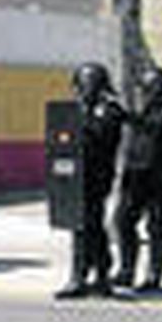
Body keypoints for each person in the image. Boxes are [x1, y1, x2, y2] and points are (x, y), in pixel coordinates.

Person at [55, 62, 126, 299]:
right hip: (76, 176)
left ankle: (91, 276)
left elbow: (100, 137)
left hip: (97, 176)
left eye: (87, 83)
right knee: (81, 226)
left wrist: (83, 117)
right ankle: (87, 275)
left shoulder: (110, 109)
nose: (82, 89)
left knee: (90, 225)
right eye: (81, 84)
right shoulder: (79, 108)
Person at [112, 66, 162, 292]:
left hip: (157, 176)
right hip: (134, 174)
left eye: (147, 88)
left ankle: (154, 274)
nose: (142, 92)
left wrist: (128, 117)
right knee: (123, 221)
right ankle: (126, 270)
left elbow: (160, 127)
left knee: (155, 225)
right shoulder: (144, 110)